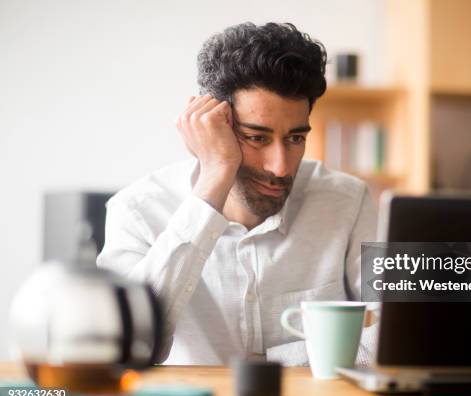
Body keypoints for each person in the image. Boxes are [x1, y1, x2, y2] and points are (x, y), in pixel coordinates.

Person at [97, 22, 377, 365]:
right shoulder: (137, 211)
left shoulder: (348, 201)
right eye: (257, 138)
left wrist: (270, 363)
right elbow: (128, 348)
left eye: (295, 138)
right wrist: (215, 176)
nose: (281, 167)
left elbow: (401, 329)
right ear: (215, 126)